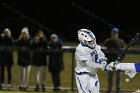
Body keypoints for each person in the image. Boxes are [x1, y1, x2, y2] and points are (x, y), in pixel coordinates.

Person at [75, 29, 113, 93]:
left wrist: (102, 61)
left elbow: (100, 53)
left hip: (93, 74)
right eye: (89, 41)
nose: (92, 42)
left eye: (93, 40)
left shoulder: (93, 43)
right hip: (83, 75)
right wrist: (102, 66)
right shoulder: (81, 49)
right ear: (83, 41)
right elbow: (90, 63)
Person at [103, 27, 125, 93]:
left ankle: (118, 90)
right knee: (110, 77)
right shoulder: (107, 42)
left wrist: (120, 59)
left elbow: (124, 52)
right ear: (111, 33)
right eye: (113, 33)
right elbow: (103, 52)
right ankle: (110, 89)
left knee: (119, 76)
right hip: (110, 62)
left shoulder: (121, 42)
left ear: (117, 34)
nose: (114, 34)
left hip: (119, 63)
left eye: (116, 33)